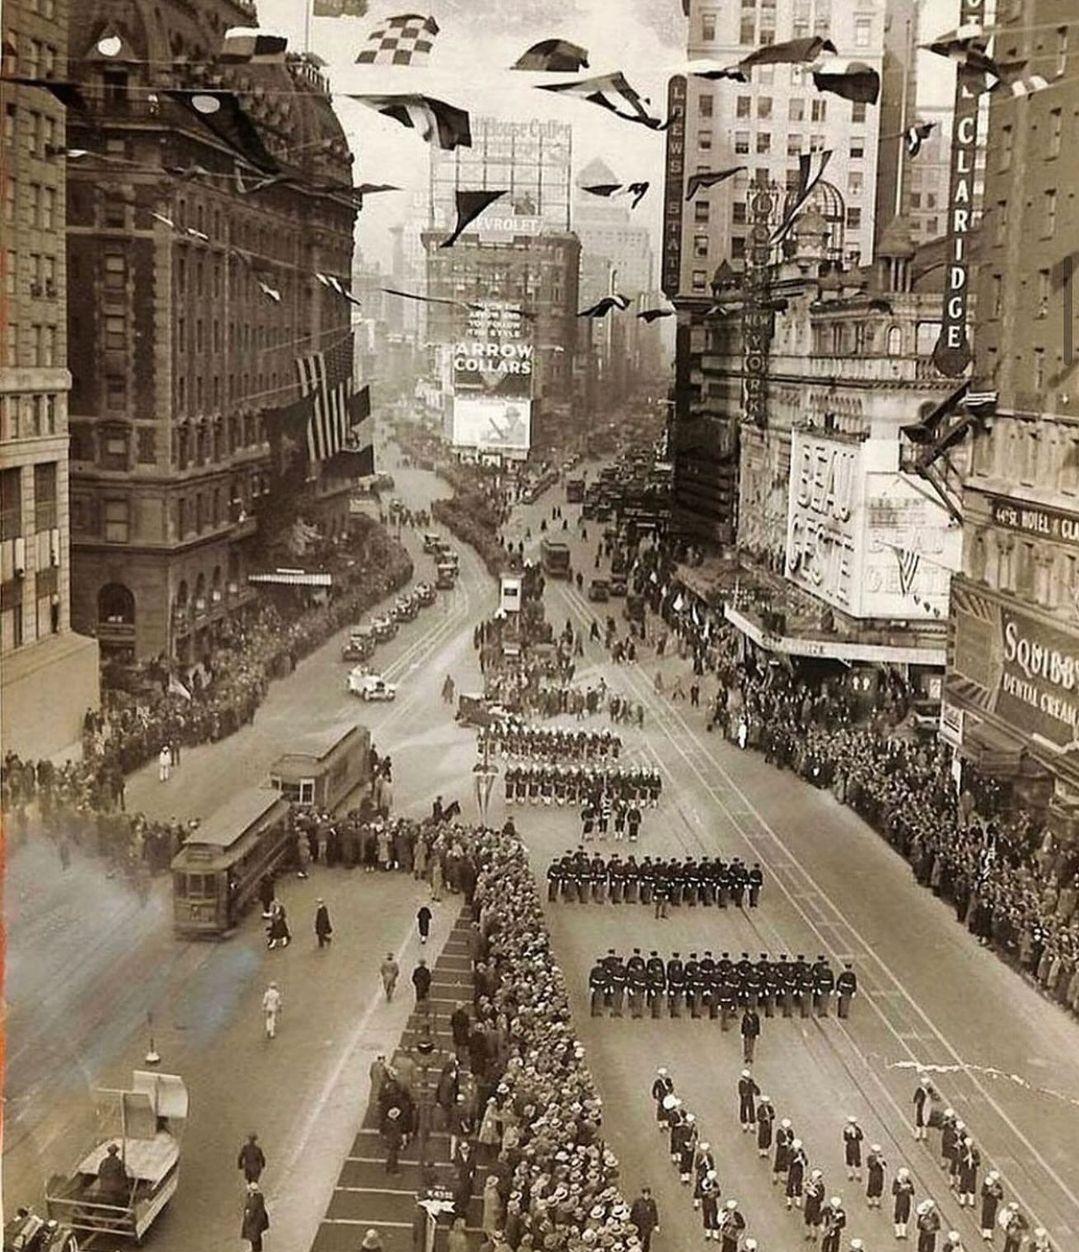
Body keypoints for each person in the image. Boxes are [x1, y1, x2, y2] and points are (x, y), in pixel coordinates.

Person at [241, 1180, 270, 1252]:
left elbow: (251, 1212)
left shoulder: (253, 1200)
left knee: (254, 1239)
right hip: (259, 1223)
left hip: (254, 1224)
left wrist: (247, 1215)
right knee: (257, 1238)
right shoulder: (259, 1197)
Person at [980, 1171, 1004, 1240]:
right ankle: (985, 1231)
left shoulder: (998, 1186)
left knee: (991, 1216)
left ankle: (989, 1232)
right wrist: (988, 1191)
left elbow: (1001, 1197)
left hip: (993, 1203)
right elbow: (982, 1193)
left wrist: (998, 1193)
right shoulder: (986, 1185)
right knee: (985, 1215)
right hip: (987, 1202)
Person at [893, 1166, 915, 1239]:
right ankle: (897, 1232)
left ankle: (903, 1231)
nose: (905, 1178)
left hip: (907, 1201)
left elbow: (913, 1192)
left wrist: (909, 1188)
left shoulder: (909, 1182)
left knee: (905, 1215)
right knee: (898, 1214)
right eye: (904, 1177)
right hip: (899, 1200)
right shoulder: (896, 1182)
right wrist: (901, 1189)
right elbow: (894, 1191)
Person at [843, 1116, 864, 1181]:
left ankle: (858, 1174)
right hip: (849, 1145)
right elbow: (845, 1138)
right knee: (849, 1159)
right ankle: (850, 1174)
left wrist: (856, 1134)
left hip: (856, 1145)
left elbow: (861, 1137)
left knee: (857, 1159)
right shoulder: (846, 1129)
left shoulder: (858, 1129)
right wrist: (849, 1134)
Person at [865, 1145, 886, 1209]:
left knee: (879, 1186)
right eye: (875, 1152)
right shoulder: (870, 1158)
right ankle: (870, 1200)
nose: (876, 1153)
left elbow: (884, 1167)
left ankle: (877, 1200)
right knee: (871, 1186)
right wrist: (875, 1162)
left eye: (878, 1152)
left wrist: (881, 1163)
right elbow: (870, 1166)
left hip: (879, 1174)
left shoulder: (881, 1158)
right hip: (873, 1174)